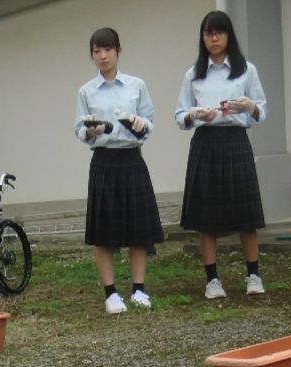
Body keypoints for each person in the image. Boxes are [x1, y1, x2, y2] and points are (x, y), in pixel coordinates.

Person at [174, 10, 268, 300]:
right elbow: (179, 116)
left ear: (228, 36)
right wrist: (195, 114)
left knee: (246, 212)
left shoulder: (245, 70)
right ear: (202, 38)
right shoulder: (194, 74)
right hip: (205, 142)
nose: (213, 38)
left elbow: (262, 111)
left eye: (219, 32)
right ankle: (212, 280)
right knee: (207, 216)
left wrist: (248, 106)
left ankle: (253, 274)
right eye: (208, 33)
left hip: (236, 140)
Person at [76, 27, 164, 315]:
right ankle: (110, 293)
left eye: (107, 49)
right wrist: (91, 131)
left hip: (132, 158)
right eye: (97, 51)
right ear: (92, 55)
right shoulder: (86, 91)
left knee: (139, 229)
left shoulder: (136, 85)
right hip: (103, 160)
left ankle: (139, 288)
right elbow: (79, 128)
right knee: (105, 232)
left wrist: (140, 124)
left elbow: (149, 121)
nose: (102, 56)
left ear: (118, 51)